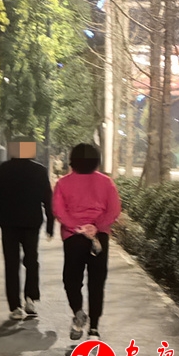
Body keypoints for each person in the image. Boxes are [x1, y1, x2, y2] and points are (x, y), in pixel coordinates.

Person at [52, 143, 121, 340]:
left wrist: (77, 227)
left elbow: (58, 210)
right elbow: (114, 209)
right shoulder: (106, 182)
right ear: (96, 161)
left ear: (72, 160)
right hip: (99, 238)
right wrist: (96, 227)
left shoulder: (63, 183)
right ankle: (94, 329)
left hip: (73, 238)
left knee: (71, 279)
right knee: (97, 282)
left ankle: (78, 312)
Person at [0, 139, 54, 320]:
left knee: (11, 264)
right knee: (32, 260)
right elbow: (48, 199)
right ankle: (30, 298)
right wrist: (50, 224)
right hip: (32, 223)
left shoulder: (2, 169)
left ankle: (15, 306)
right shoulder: (39, 171)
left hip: (8, 223)